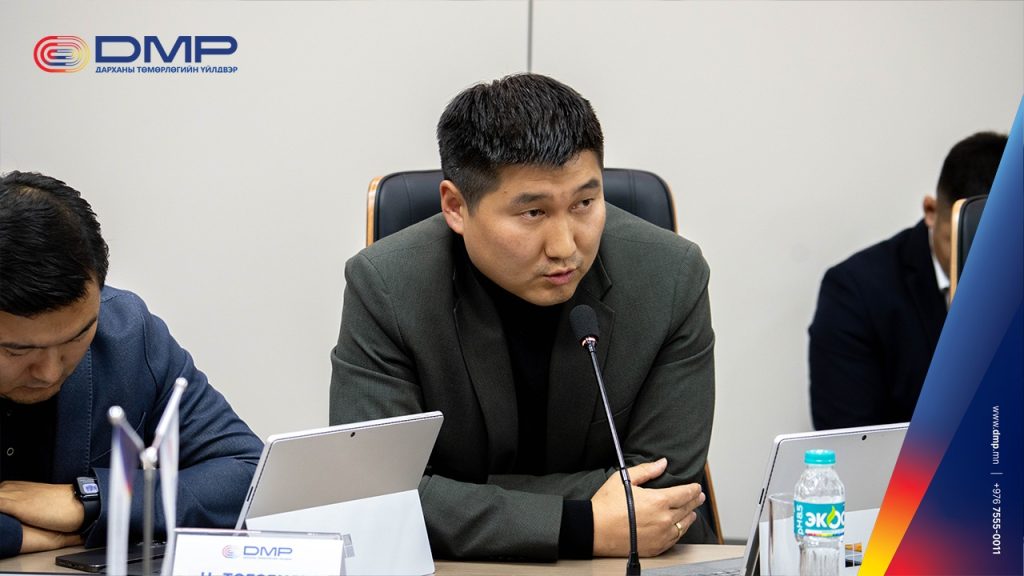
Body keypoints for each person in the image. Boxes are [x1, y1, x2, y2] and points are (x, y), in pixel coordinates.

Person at [330, 74, 715, 561]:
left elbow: (665, 488)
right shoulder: (385, 286)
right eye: (533, 213)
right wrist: (580, 523)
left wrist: (454, 493)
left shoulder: (672, 275)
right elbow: (374, 493)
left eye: (584, 203)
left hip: (637, 560)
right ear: (456, 207)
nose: (565, 246)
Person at [0, 171, 263, 558]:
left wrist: (92, 501)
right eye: (17, 352)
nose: (50, 372)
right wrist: (24, 537)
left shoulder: (127, 334)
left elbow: (247, 475)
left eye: (76, 337)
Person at [809, 132, 1007, 430]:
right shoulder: (856, 291)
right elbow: (851, 440)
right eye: (968, 245)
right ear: (931, 211)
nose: (985, 269)